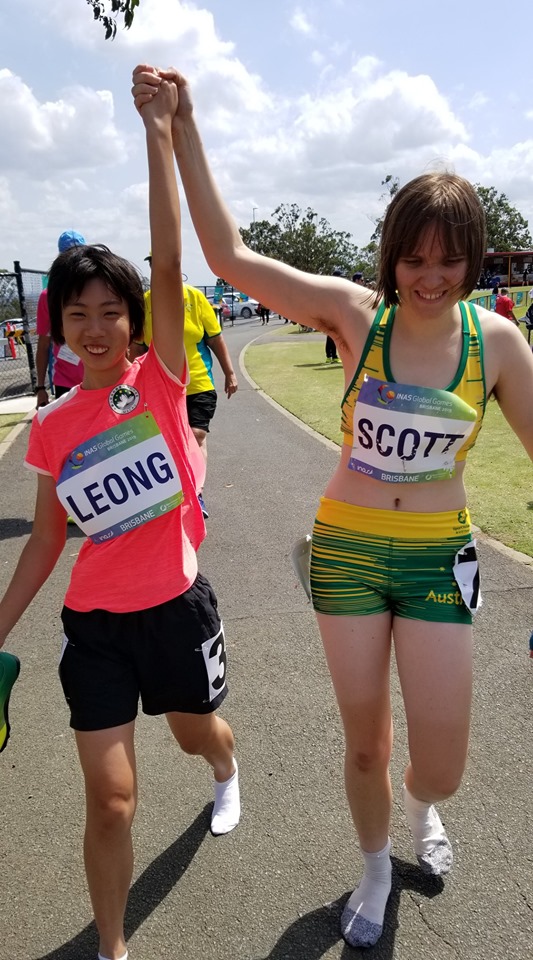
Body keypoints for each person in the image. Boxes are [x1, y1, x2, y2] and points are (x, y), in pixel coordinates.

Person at [131, 65, 533, 950]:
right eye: (413, 258)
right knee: (363, 744)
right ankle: (375, 865)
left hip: (436, 559)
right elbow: (229, 257)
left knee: (442, 761)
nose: (429, 277)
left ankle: (422, 805)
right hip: (347, 548)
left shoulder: (496, 343)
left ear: (472, 258)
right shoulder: (355, 316)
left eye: (448, 260)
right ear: (391, 256)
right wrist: (181, 124)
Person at [0, 75, 240, 960]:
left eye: (111, 313)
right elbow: (48, 540)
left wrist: (159, 131)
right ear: (59, 325)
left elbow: (170, 264)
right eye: (79, 315)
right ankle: (113, 947)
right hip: (95, 627)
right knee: (109, 801)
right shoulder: (53, 426)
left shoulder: (161, 381)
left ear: (136, 322)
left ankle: (225, 766)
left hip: (175, 612)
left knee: (193, 735)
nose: (95, 328)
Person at [131, 263, 238, 518]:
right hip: (161, 387)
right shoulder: (145, 303)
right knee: (169, 442)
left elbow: (215, 338)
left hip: (199, 382)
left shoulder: (195, 297)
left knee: (196, 435)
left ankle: (196, 493)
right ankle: (174, 493)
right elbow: (137, 347)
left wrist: (230, 372)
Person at [35, 231, 86, 407]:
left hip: (100, 377)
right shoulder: (48, 297)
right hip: (65, 383)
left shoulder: (95, 290)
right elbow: (43, 345)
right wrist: (40, 388)